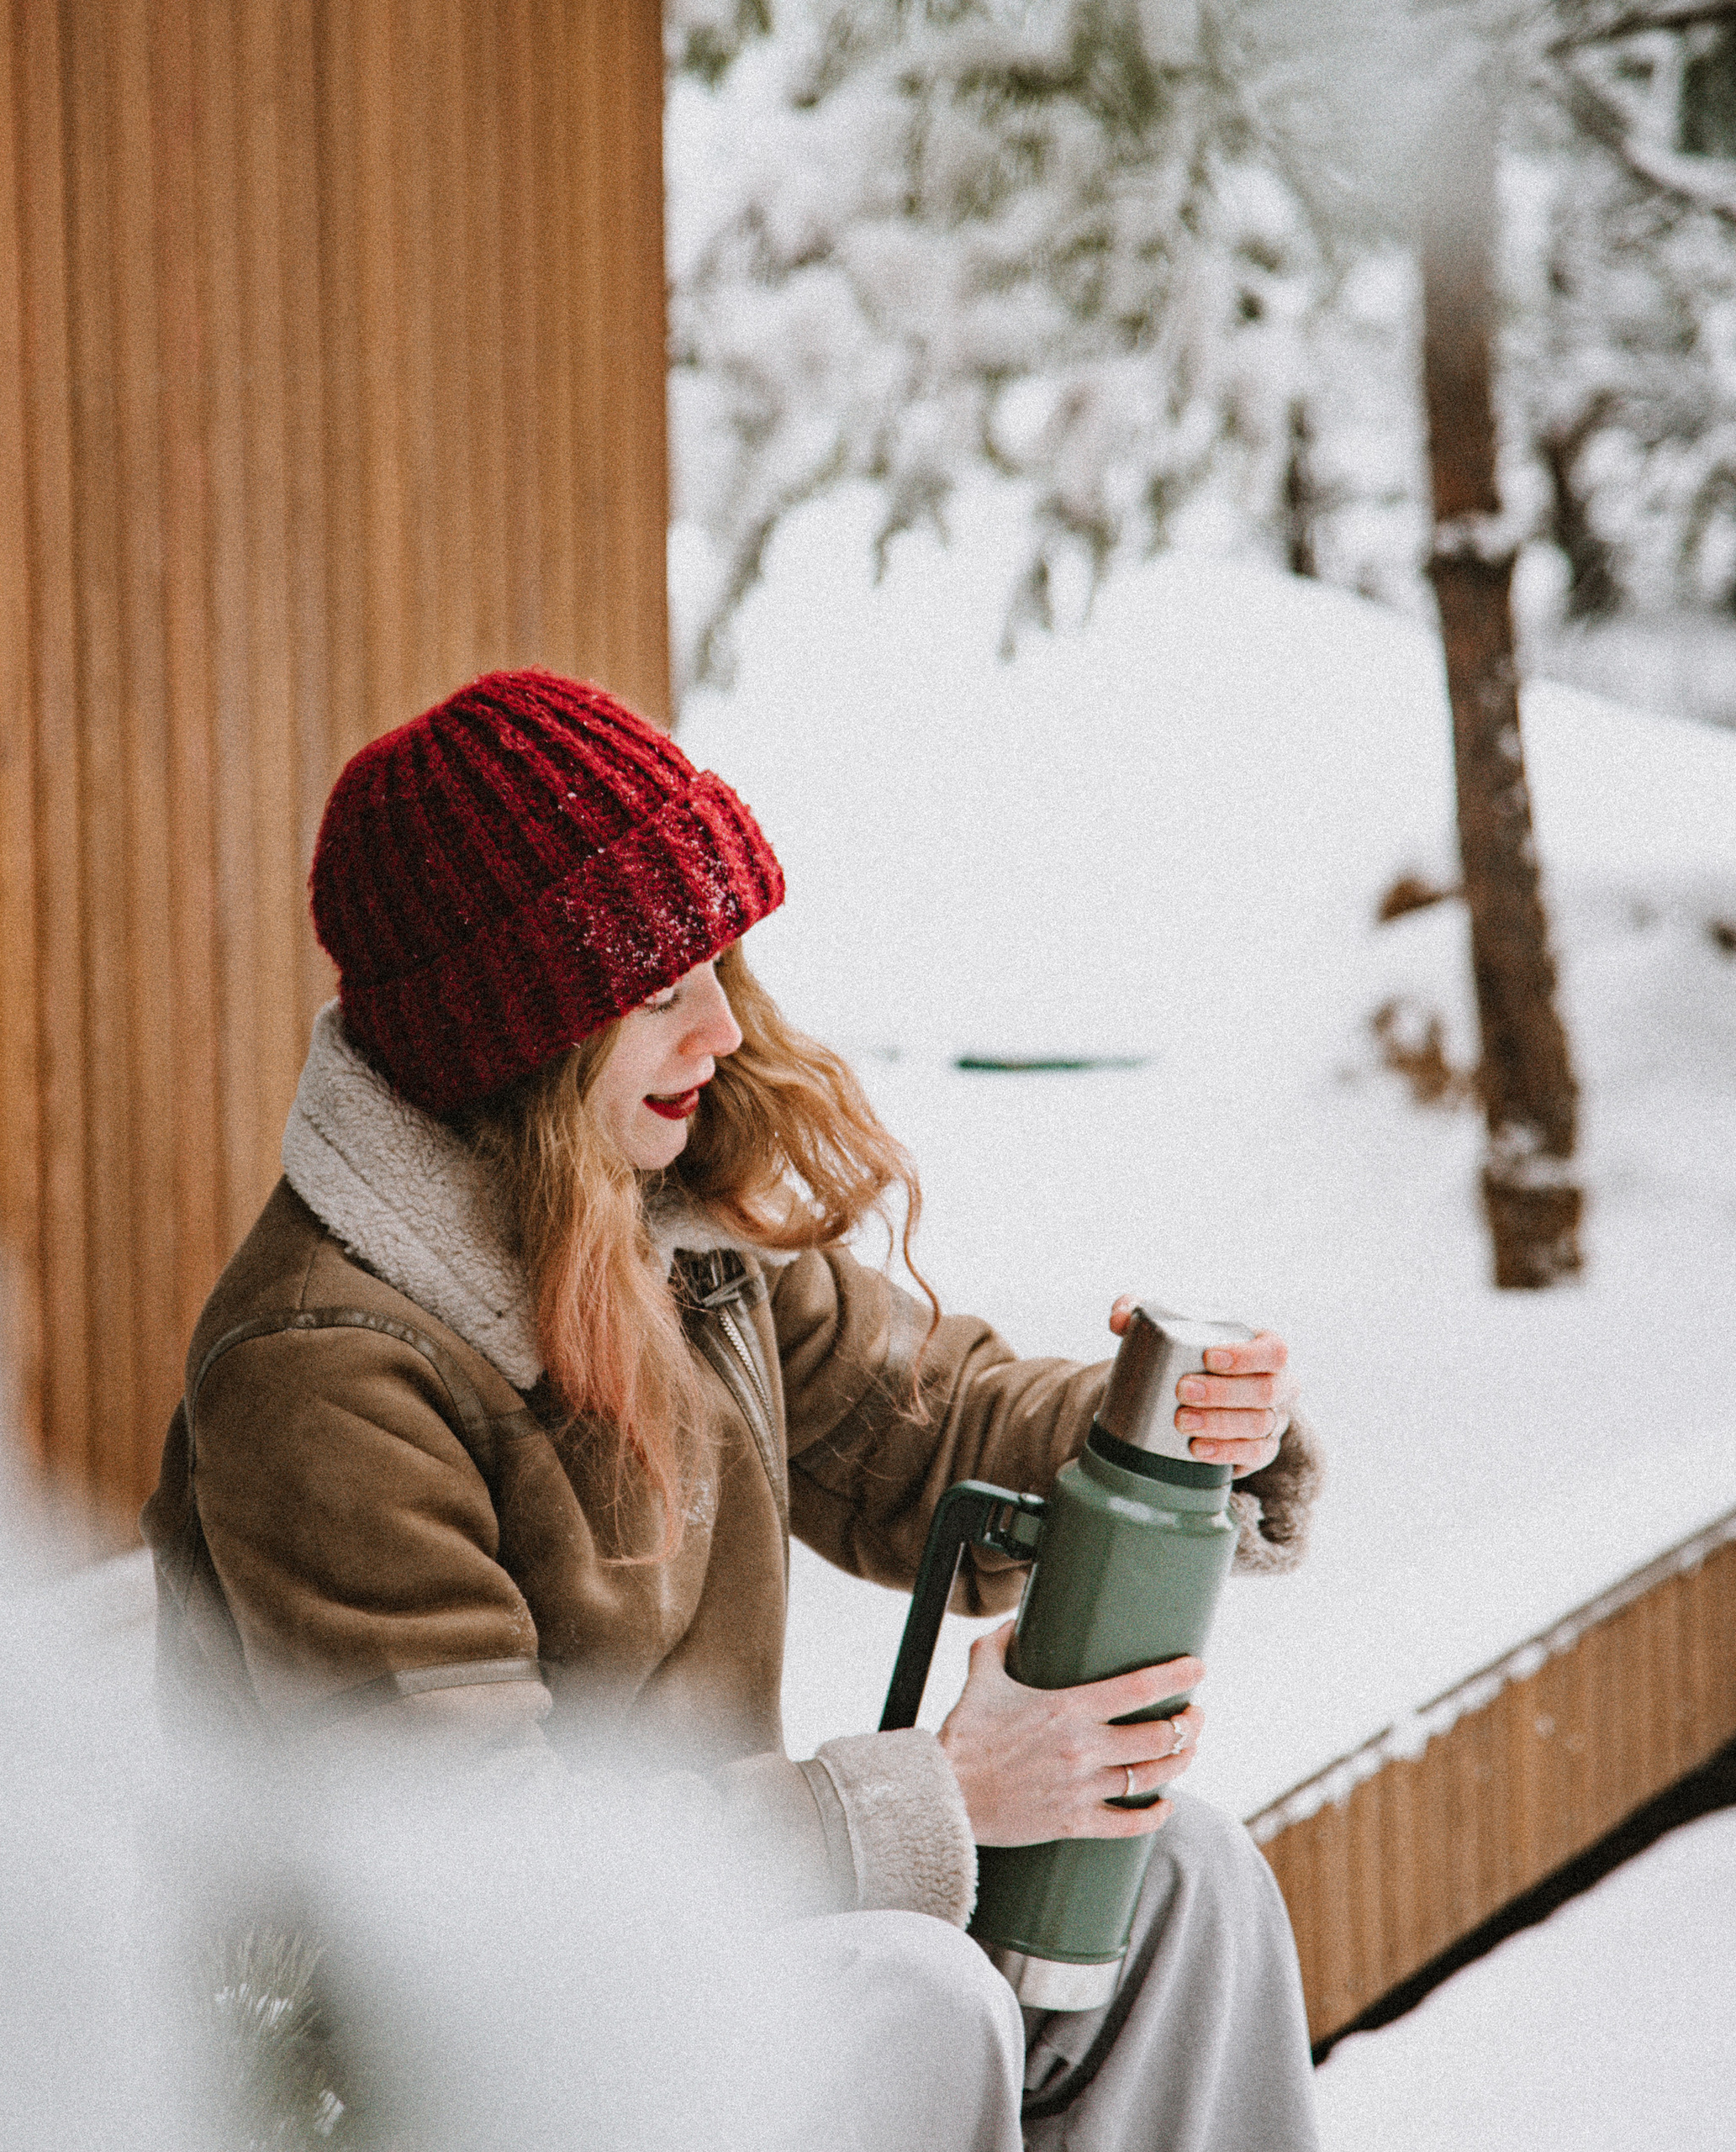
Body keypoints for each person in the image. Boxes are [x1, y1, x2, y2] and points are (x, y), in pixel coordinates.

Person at [142, 667, 1325, 2149]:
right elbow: (489, 1885)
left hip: (705, 1954)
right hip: (424, 2064)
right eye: (658, 991)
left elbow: (928, 1429)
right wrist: (937, 1795)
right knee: (910, 1990)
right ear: (522, 1034)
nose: (719, 1032)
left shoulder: (658, 1234)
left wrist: (1170, 1429)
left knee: (1180, 1881)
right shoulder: (324, 1363)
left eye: (717, 968)